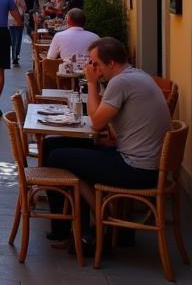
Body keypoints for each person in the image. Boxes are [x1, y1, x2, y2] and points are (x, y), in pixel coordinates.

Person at [43, 37, 170, 252]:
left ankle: (92, 223)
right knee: (53, 145)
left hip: (135, 168)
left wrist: (91, 83)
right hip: (147, 164)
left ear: (111, 63)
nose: (93, 68)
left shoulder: (120, 82)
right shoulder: (137, 74)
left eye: (96, 64)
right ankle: (72, 227)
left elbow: (97, 123)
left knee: (56, 156)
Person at [4, 0, 27, 67]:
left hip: (9, 19)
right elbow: (24, 6)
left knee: (12, 39)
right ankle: (16, 56)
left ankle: (13, 55)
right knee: (18, 38)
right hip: (19, 17)